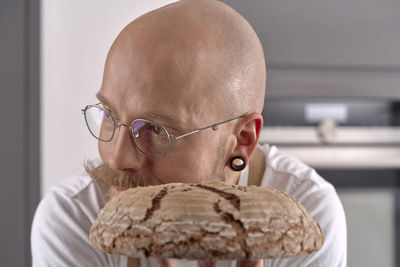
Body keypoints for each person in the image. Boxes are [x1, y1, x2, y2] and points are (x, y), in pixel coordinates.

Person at [31, 0, 347, 266]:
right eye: (110, 116)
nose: (116, 158)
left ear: (242, 141)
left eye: (155, 130)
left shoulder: (305, 220)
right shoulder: (72, 218)